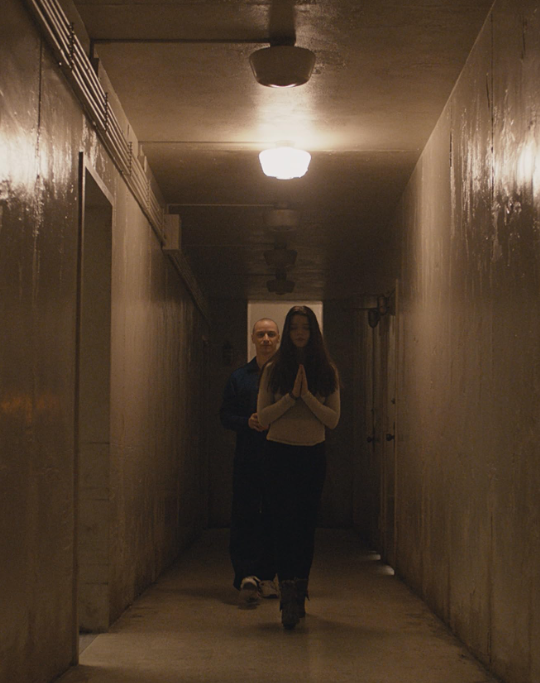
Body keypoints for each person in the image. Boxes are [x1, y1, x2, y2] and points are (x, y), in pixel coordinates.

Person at [257, 305, 340, 629]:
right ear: (288, 332)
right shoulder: (274, 369)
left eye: (305, 327)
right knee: (282, 525)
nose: (300, 333)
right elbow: (263, 417)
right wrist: (292, 397)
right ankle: (287, 595)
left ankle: (299, 591)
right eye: (294, 327)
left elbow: (332, 419)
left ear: (313, 331)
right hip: (278, 454)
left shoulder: (327, 370)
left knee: (305, 526)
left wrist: (307, 397)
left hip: (312, 455)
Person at [220, 318, 281, 603]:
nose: (266, 339)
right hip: (247, 457)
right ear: (253, 338)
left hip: (279, 456)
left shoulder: (285, 375)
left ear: (278, 339)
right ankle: (246, 575)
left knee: (273, 515)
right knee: (244, 515)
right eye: (261, 334)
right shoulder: (239, 378)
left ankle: (267, 576)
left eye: (271, 334)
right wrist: (247, 422)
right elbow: (225, 415)